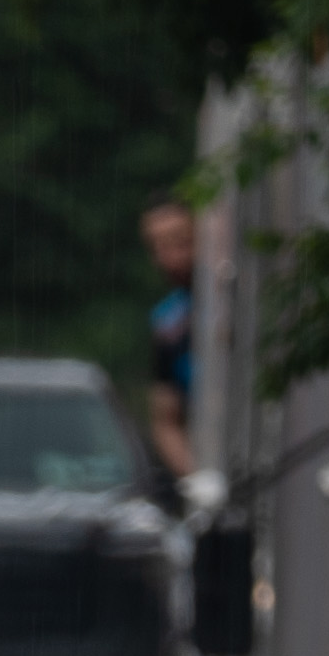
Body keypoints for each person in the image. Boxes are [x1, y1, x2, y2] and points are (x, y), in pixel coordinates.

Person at [140, 197, 206, 486]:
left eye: (181, 241)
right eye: (159, 247)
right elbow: (165, 420)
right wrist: (194, 477)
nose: (171, 258)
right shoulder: (169, 324)